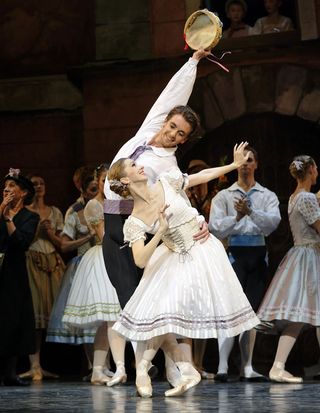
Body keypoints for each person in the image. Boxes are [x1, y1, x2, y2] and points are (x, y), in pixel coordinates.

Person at [108, 142, 260, 397]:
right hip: (171, 255)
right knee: (164, 316)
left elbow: (200, 176)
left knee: (170, 317)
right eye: (134, 165)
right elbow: (140, 260)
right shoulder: (134, 219)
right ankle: (176, 370)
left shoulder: (167, 181)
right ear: (125, 178)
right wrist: (161, 232)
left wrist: (233, 165)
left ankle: (148, 368)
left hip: (200, 252)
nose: (141, 166)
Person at [102, 49, 211, 387]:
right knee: (131, 303)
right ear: (166, 121)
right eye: (173, 127)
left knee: (141, 302)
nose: (173, 135)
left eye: (181, 135)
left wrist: (198, 222)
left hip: (139, 230)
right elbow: (173, 93)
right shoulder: (147, 130)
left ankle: (163, 367)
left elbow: (179, 193)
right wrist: (193, 61)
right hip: (112, 226)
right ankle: (169, 366)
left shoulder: (169, 164)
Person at [209, 146, 281, 382]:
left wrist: (250, 212)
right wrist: (238, 216)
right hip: (234, 254)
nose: (246, 164)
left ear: (256, 164)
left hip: (258, 253)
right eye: (241, 161)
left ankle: (247, 367)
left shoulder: (266, 195)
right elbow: (216, 227)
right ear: (236, 164)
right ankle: (222, 367)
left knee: (251, 313)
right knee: (230, 310)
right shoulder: (224, 196)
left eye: (250, 160)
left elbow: (272, 224)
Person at [258, 155, 320, 383]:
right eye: (316, 168)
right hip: (310, 256)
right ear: (311, 170)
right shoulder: (306, 198)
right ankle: (278, 366)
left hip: (301, 254)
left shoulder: (296, 197)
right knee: (308, 315)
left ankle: (277, 366)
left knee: (298, 317)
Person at [62, 164, 124, 385]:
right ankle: (119, 367)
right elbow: (105, 235)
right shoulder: (94, 206)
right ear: (98, 180)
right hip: (103, 258)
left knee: (110, 318)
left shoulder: (116, 203)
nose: (108, 183)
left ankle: (98, 368)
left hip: (118, 257)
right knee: (113, 316)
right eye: (105, 179)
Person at [19, 173, 65, 381]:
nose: (39, 187)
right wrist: (38, 229)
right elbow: (22, 240)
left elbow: (60, 243)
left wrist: (50, 233)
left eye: (42, 183)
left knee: (50, 314)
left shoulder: (54, 211)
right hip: (32, 260)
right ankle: (34, 364)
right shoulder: (24, 212)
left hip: (52, 262)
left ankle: (45, 363)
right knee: (35, 313)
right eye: (35, 184)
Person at [46, 167, 97, 346]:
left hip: (105, 264)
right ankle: (94, 366)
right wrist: (88, 237)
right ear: (82, 190)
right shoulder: (75, 212)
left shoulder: (109, 208)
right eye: (92, 189)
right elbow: (64, 245)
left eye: (99, 188)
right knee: (87, 314)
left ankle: (109, 364)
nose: (97, 192)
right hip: (85, 265)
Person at [0, 169, 39, 386]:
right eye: (5, 186)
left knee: (13, 317)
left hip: (13, 272)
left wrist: (8, 219)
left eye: (12, 186)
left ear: (23, 193)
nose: (6, 189)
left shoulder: (29, 217)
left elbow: (20, 243)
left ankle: (10, 372)